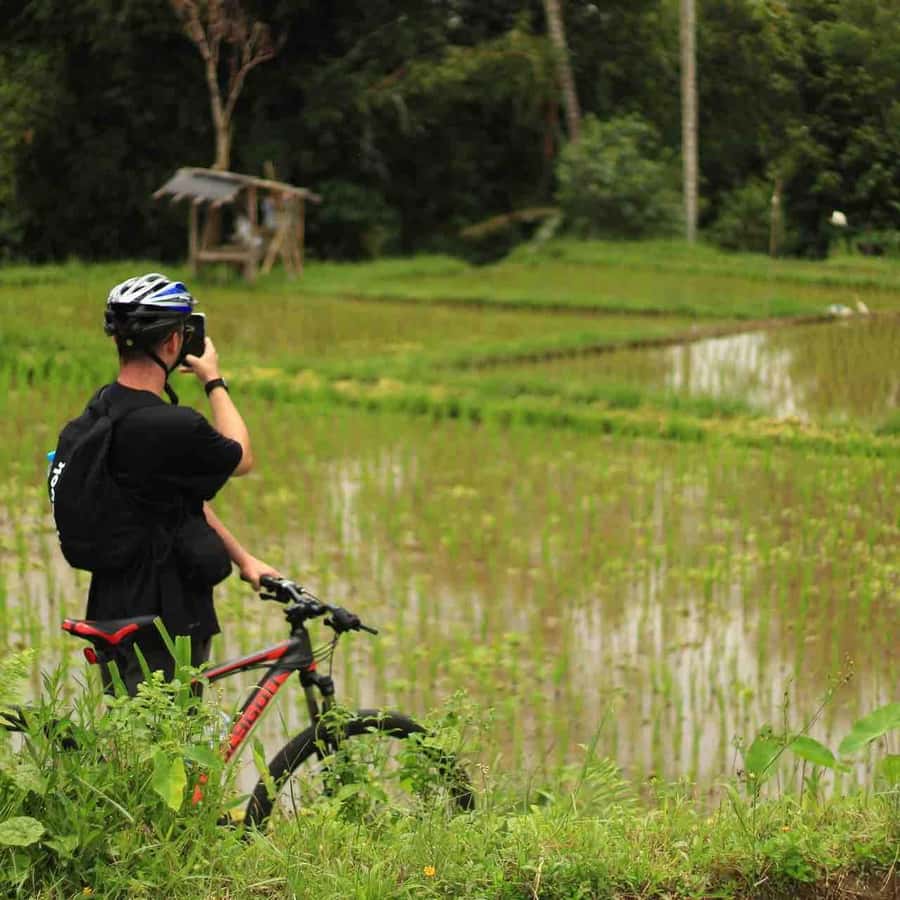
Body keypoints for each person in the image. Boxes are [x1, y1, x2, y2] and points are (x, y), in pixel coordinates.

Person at [86, 272, 279, 694]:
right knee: (169, 750)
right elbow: (241, 457)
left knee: (133, 743)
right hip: (166, 617)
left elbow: (180, 500)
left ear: (117, 340)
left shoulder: (101, 408)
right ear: (175, 342)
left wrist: (244, 559)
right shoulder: (172, 424)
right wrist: (214, 380)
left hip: (111, 607)